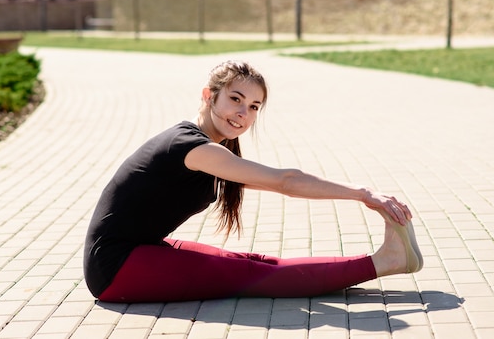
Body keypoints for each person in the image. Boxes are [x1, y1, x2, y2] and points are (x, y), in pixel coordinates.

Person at [84, 61, 423, 303]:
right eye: (235, 99)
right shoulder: (191, 147)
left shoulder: (206, 147)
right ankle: (385, 262)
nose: (243, 113)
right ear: (208, 95)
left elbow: (277, 183)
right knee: (256, 278)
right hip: (117, 268)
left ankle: (388, 258)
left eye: (254, 106)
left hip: (138, 253)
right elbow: (285, 182)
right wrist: (363, 195)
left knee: (252, 263)